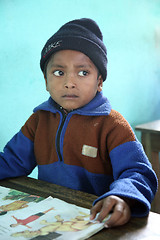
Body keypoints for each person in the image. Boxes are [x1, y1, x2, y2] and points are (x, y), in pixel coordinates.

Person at [0, 18, 157, 228]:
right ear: (46, 81)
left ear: (99, 81)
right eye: (59, 72)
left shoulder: (113, 125)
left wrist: (123, 197)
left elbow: (138, 172)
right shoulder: (39, 121)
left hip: (98, 221)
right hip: (49, 218)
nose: (69, 82)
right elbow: (11, 161)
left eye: (83, 72)